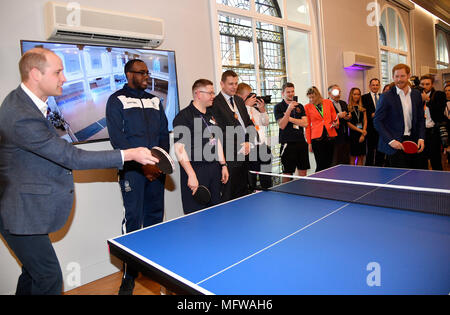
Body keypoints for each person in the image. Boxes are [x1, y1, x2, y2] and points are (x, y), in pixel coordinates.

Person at [0, 48, 158, 295]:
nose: (64, 78)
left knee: (33, 275)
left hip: (24, 208)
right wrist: (129, 154)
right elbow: (70, 156)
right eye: (58, 72)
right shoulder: (21, 114)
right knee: (49, 278)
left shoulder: (25, 103)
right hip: (19, 212)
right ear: (35, 74)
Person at [105, 59, 170, 295]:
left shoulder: (155, 100)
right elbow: (117, 139)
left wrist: (158, 163)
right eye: (142, 72)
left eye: (147, 72)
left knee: (154, 218)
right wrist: (142, 166)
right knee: (133, 221)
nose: (147, 76)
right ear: (128, 74)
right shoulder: (116, 100)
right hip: (132, 170)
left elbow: (164, 134)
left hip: (156, 170)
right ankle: (129, 274)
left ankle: (152, 268)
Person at [173, 79, 229, 214]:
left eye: (213, 92)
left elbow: (216, 140)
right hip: (196, 169)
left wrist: (223, 165)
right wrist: (191, 175)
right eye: (210, 93)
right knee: (195, 215)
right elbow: (179, 149)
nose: (213, 96)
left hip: (214, 168)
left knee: (216, 212)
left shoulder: (211, 114)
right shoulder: (183, 116)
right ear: (198, 94)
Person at [209, 70, 257, 202]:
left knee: (244, 194)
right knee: (229, 196)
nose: (234, 87)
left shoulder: (239, 101)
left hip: (245, 156)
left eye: (236, 83)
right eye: (231, 84)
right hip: (229, 158)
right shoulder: (215, 103)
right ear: (222, 84)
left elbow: (248, 124)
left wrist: (248, 143)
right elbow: (218, 132)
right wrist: (239, 145)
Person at [373, 64, 425, 169]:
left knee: (414, 175)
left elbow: (420, 119)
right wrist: (391, 141)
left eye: (402, 76)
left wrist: (421, 137)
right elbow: (377, 121)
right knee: (399, 178)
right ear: (393, 77)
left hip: (413, 141)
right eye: (396, 76)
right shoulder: (386, 97)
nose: (399, 79)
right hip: (395, 143)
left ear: (408, 75)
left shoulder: (416, 95)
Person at [236, 82, 272, 189]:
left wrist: (262, 110)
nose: (252, 98)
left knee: (267, 179)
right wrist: (246, 106)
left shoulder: (254, 109)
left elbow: (265, 123)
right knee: (251, 182)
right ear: (239, 96)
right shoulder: (238, 110)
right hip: (251, 149)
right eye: (248, 96)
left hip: (262, 147)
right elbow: (244, 124)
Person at [274, 82, 310, 182]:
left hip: (301, 142)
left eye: (292, 91)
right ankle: (286, 194)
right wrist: (289, 109)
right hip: (287, 143)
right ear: (283, 94)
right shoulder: (278, 107)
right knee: (287, 172)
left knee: (303, 171)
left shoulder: (300, 106)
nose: (291, 94)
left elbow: (305, 123)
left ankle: (302, 192)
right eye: (288, 92)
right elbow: (282, 125)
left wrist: (289, 118)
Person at [304, 86, 338, 172]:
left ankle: (328, 183)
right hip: (316, 138)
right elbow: (307, 126)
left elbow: (335, 116)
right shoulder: (307, 107)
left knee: (329, 163)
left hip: (330, 135)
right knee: (320, 164)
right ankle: (319, 184)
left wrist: (336, 122)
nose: (311, 99)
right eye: (309, 98)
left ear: (318, 95)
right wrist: (309, 143)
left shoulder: (328, 102)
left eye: (313, 97)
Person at [418, 75, 446, 170]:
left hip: (433, 131)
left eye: (427, 84)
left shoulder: (439, 95)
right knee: (421, 159)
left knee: (435, 159)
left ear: (432, 84)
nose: (424, 86)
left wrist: (428, 100)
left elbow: (439, 112)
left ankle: (438, 181)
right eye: (422, 84)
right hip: (421, 132)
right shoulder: (416, 95)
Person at [362, 78, 385, 167]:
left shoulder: (383, 97)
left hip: (382, 128)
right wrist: (370, 115)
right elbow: (362, 112)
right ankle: (369, 168)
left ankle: (380, 167)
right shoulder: (364, 97)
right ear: (369, 86)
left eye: (377, 85)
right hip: (370, 128)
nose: (375, 87)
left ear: (379, 86)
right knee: (370, 150)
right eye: (373, 85)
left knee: (381, 150)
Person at [328, 84, 351, 165]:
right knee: (335, 160)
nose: (338, 94)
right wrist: (338, 115)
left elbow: (348, 116)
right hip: (334, 137)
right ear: (329, 94)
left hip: (345, 135)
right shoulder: (326, 104)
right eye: (335, 92)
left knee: (345, 159)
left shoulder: (343, 103)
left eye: (339, 92)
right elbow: (326, 119)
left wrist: (348, 116)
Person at [347, 88, 368, 166]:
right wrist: (361, 131)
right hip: (353, 135)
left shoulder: (362, 107)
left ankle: (360, 175)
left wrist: (363, 133)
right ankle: (352, 175)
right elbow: (348, 124)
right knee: (353, 157)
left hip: (362, 134)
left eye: (358, 94)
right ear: (351, 95)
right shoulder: (347, 107)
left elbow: (365, 120)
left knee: (361, 156)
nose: (357, 96)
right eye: (355, 94)